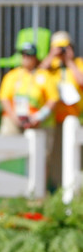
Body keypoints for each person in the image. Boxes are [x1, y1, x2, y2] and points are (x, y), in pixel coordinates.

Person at [38, 31, 83, 190]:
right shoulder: (51, 67)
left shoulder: (78, 63)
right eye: (58, 47)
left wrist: (69, 62)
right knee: (55, 157)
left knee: (76, 156)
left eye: (64, 47)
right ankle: (55, 189)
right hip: (54, 119)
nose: (61, 51)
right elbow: (37, 76)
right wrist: (52, 56)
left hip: (74, 118)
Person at [0, 42, 57, 136]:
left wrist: (39, 117)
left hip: (37, 120)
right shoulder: (12, 75)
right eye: (24, 54)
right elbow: (4, 98)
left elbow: (53, 99)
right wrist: (14, 117)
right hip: (15, 118)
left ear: (35, 57)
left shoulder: (44, 75)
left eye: (29, 55)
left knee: (38, 147)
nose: (26, 58)